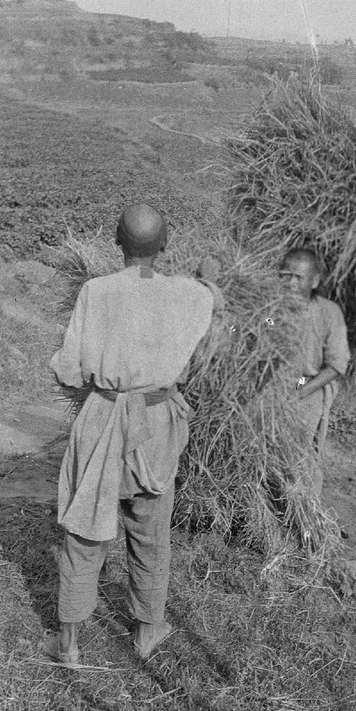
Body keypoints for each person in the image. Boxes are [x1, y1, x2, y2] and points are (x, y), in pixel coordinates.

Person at [47, 203, 214, 665]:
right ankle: (146, 632)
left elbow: (69, 369)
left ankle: (69, 646)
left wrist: (94, 384)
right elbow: (209, 300)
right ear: (164, 246)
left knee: (83, 529)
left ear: (116, 242)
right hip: (155, 421)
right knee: (150, 527)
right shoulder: (188, 295)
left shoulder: (95, 292)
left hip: (102, 418)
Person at [279, 247, 350, 493]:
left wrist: (300, 393)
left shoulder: (328, 313)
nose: (290, 283)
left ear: (314, 281)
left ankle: (303, 517)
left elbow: (336, 366)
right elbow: (262, 327)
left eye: (298, 278)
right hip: (274, 389)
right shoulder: (273, 311)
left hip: (307, 391)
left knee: (299, 459)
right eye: (285, 275)